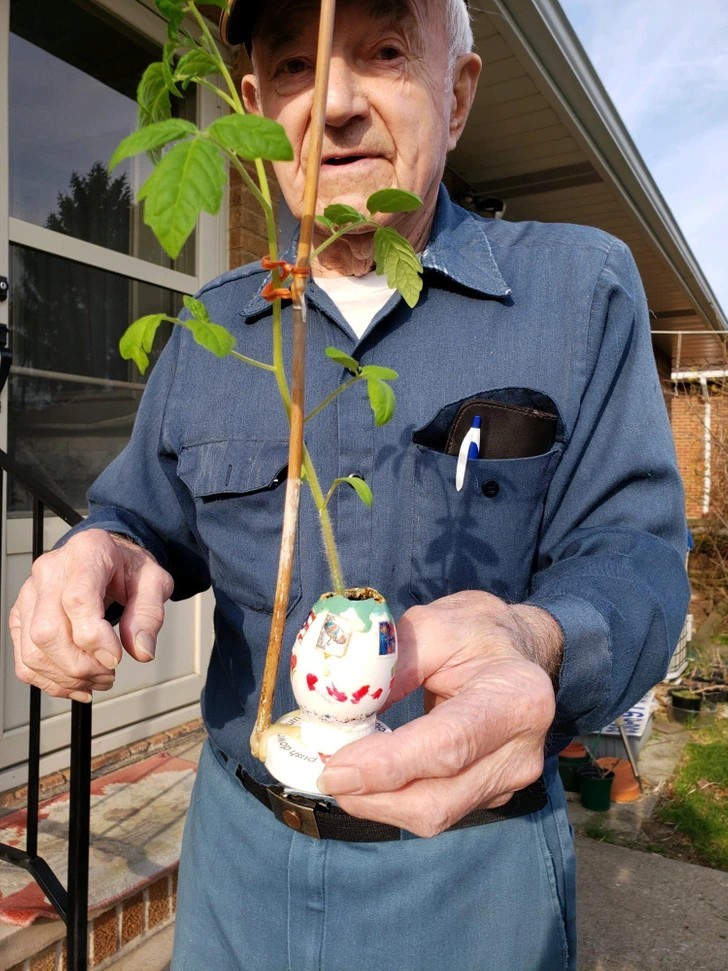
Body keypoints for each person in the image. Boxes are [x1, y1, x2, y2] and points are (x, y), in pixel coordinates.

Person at [10, 1, 690, 968]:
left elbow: (634, 558)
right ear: (254, 106)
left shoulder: (579, 294)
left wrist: (540, 640)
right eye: (294, 64)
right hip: (238, 860)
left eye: (385, 50)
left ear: (458, 94)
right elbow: (141, 518)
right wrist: (100, 551)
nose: (332, 103)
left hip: (470, 870)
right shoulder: (214, 329)